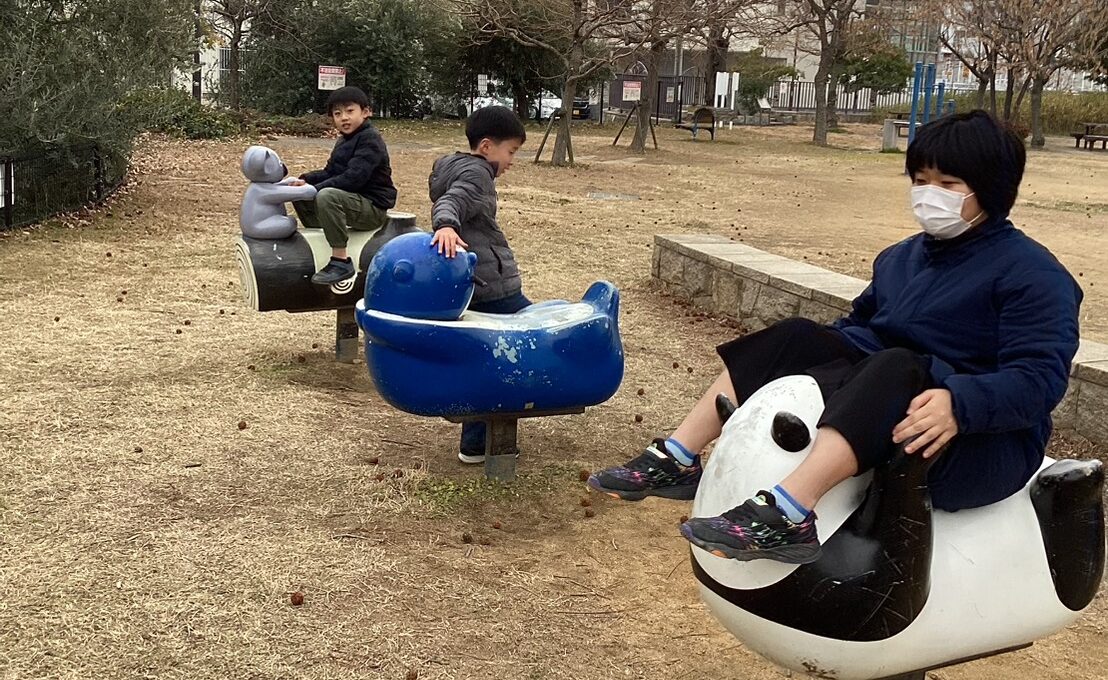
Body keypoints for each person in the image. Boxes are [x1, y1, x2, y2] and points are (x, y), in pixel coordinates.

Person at [588, 110, 1082, 565]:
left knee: (895, 363)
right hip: (887, 404)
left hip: (975, 442)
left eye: (948, 184)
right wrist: (808, 359)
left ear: (990, 190)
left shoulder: (1035, 276)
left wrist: (962, 403)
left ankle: (790, 514)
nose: (930, 194)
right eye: (920, 181)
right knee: (797, 334)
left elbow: (1040, 380)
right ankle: (677, 458)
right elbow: (859, 327)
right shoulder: (902, 257)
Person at [428, 105, 528, 464]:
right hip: (492, 287)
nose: (512, 161)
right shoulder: (477, 173)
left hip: (476, 283)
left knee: (483, 359)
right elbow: (453, 201)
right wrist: (446, 224)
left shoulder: (453, 166)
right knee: (528, 346)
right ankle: (490, 439)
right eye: (510, 151)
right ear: (487, 146)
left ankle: (475, 442)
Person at [292, 86, 397, 285]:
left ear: (366, 112)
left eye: (350, 111)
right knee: (301, 193)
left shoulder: (370, 139)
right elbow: (331, 172)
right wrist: (306, 180)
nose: (344, 118)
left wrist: (316, 188)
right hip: (352, 200)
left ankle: (341, 261)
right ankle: (322, 241)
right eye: (337, 113)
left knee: (327, 195)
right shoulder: (344, 140)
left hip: (371, 207)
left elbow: (353, 178)